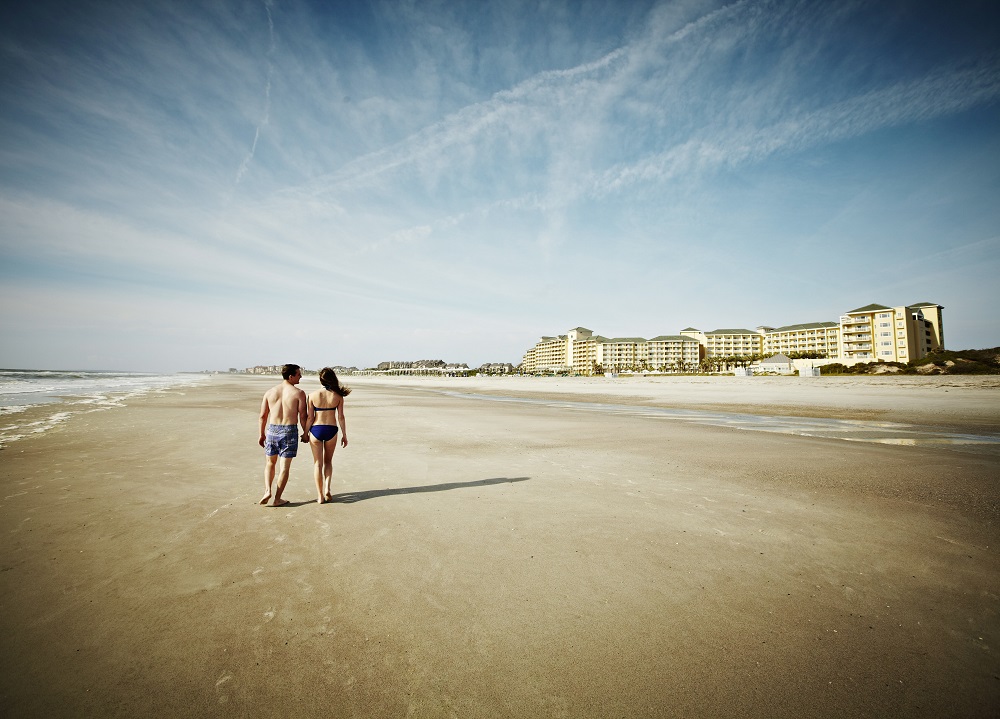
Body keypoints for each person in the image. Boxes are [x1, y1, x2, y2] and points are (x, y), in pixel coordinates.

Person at [258, 364, 308, 507]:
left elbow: (262, 416)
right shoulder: (299, 393)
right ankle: (277, 498)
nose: (301, 376)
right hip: (289, 430)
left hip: (272, 430)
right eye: (299, 374)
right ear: (291, 376)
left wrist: (261, 434)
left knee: (270, 463)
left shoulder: (270, 392)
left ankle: (268, 490)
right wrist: (306, 433)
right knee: (284, 467)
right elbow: (302, 416)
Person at [303, 367, 350, 504]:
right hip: (332, 430)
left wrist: (305, 433)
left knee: (318, 463)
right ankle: (327, 488)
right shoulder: (338, 396)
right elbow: (341, 417)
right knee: (328, 462)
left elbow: (310, 418)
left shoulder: (312, 395)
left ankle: (320, 496)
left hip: (316, 430)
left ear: (321, 380)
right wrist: (344, 435)